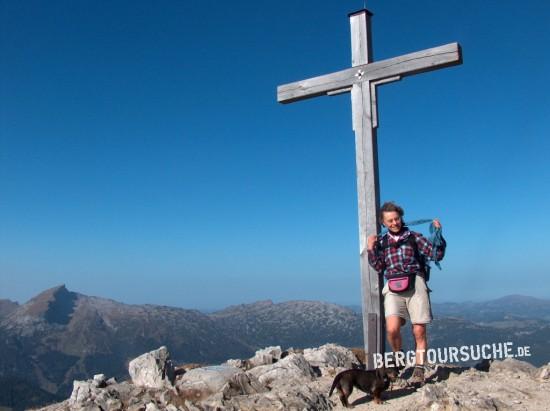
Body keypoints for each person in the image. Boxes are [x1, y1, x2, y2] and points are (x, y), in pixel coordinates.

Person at [367, 201, 446, 384]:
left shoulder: (414, 237)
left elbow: (436, 255)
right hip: (393, 285)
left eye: (396, 218)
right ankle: (398, 355)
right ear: (383, 223)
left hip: (416, 282)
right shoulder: (382, 242)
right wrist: (371, 248)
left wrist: (438, 236)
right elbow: (379, 266)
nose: (394, 223)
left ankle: (419, 369)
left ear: (401, 218)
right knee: (392, 328)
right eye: (390, 220)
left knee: (419, 329)